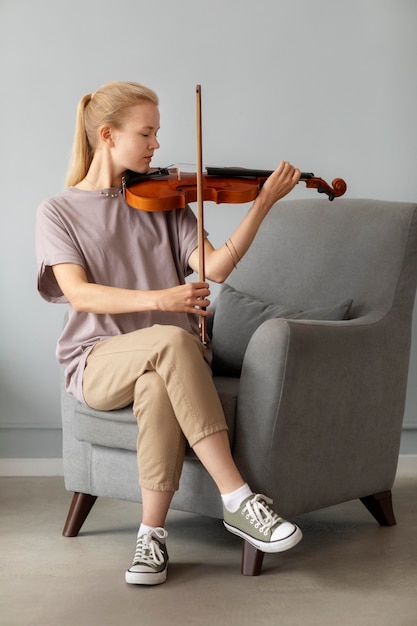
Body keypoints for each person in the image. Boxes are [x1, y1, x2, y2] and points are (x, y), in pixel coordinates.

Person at [36, 80, 302, 586]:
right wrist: (162, 300)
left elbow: (216, 267)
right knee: (174, 338)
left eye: (158, 132)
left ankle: (151, 537)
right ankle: (238, 499)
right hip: (98, 360)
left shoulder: (167, 202)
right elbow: (82, 295)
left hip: (166, 360)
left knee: (160, 380)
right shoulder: (58, 211)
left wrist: (261, 205)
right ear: (108, 136)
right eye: (147, 133)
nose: (158, 144)